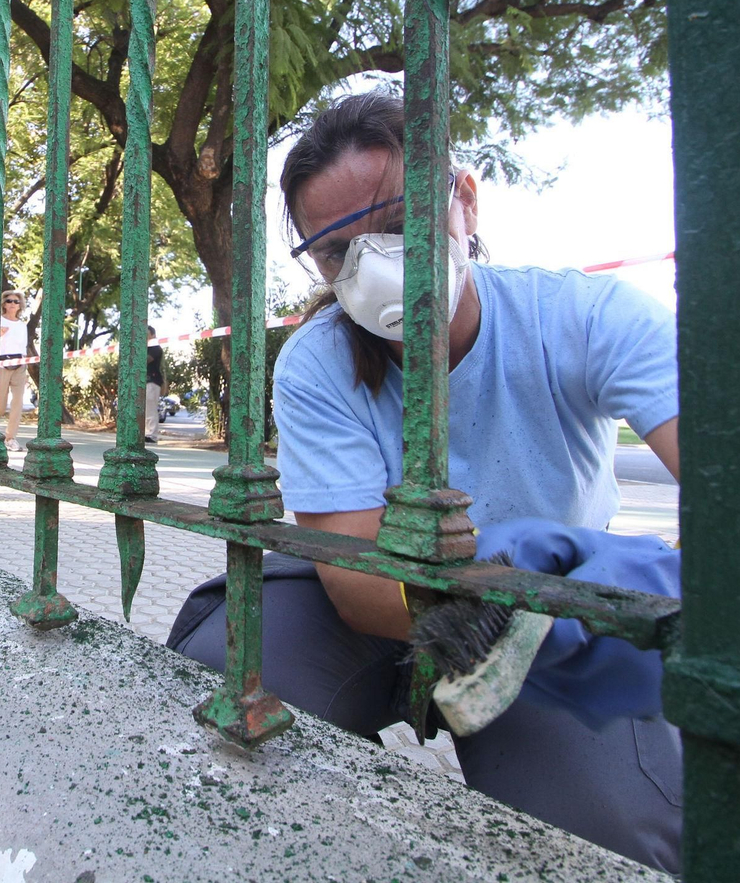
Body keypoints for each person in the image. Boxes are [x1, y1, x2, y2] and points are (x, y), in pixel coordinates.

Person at [168, 91, 683, 871]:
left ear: (464, 202)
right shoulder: (316, 363)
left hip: (546, 628)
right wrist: (482, 583)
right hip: (384, 609)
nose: (377, 264)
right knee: (231, 685)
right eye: (340, 253)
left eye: (399, 222)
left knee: (603, 831)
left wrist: (607, 585)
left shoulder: (582, 317)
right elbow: (354, 576)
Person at [0, 289, 30, 452]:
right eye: (9, 301)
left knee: (18, 403)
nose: (12, 304)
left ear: (20, 306)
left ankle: (10, 438)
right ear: (4, 304)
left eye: (16, 302)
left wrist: (26, 372)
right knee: (0, 406)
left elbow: (23, 348)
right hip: (2, 364)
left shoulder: (22, 326)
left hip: (20, 365)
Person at [144, 325, 166, 444]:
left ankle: (152, 434)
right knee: (145, 408)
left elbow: (146, 359)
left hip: (152, 381)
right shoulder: (146, 347)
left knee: (150, 408)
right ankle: (147, 433)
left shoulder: (155, 347)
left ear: (152, 334)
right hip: (145, 382)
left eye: (146, 334)